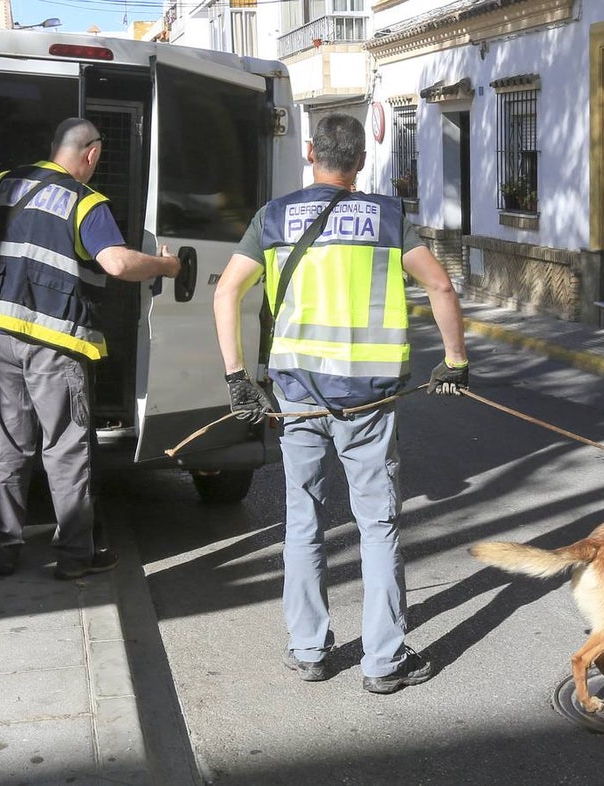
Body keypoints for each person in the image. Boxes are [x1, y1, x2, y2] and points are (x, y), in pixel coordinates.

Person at [213, 113, 469, 694]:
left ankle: (308, 650)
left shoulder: (273, 217)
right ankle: (383, 662)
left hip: (298, 396)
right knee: (376, 525)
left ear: (310, 153)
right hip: (369, 401)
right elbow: (441, 285)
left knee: (302, 519)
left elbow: (227, 291)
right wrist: (454, 360)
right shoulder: (387, 217)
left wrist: (236, 377)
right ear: (359, 162)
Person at [0, 118, 180, 579]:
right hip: (55, 345)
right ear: (91, 154)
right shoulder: (86, 202)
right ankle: (76, 556)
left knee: (8, 446)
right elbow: (116, 263)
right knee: (65, 449)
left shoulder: (5, 183)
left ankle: (1, 552)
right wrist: (168, 266)